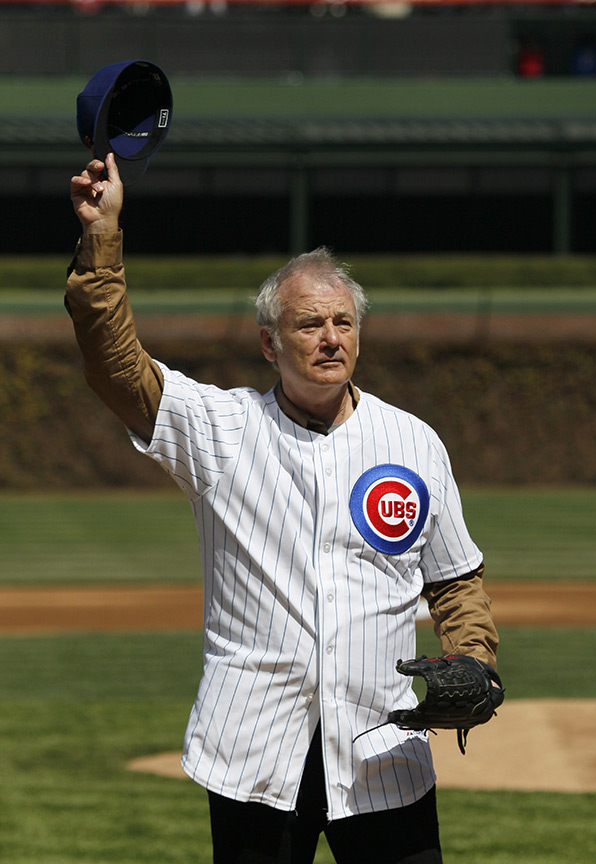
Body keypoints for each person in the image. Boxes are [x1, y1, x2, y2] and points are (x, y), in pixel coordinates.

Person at [67, 153, 500, 864]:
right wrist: (101, 237)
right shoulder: (221, 430)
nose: (331, 337)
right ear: (269, 343)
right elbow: (113, 363)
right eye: (308, 325)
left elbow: (454, 580)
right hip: (255, 757)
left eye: (343, 322)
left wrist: (476, 661)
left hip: (382, 755)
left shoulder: (413, 442)